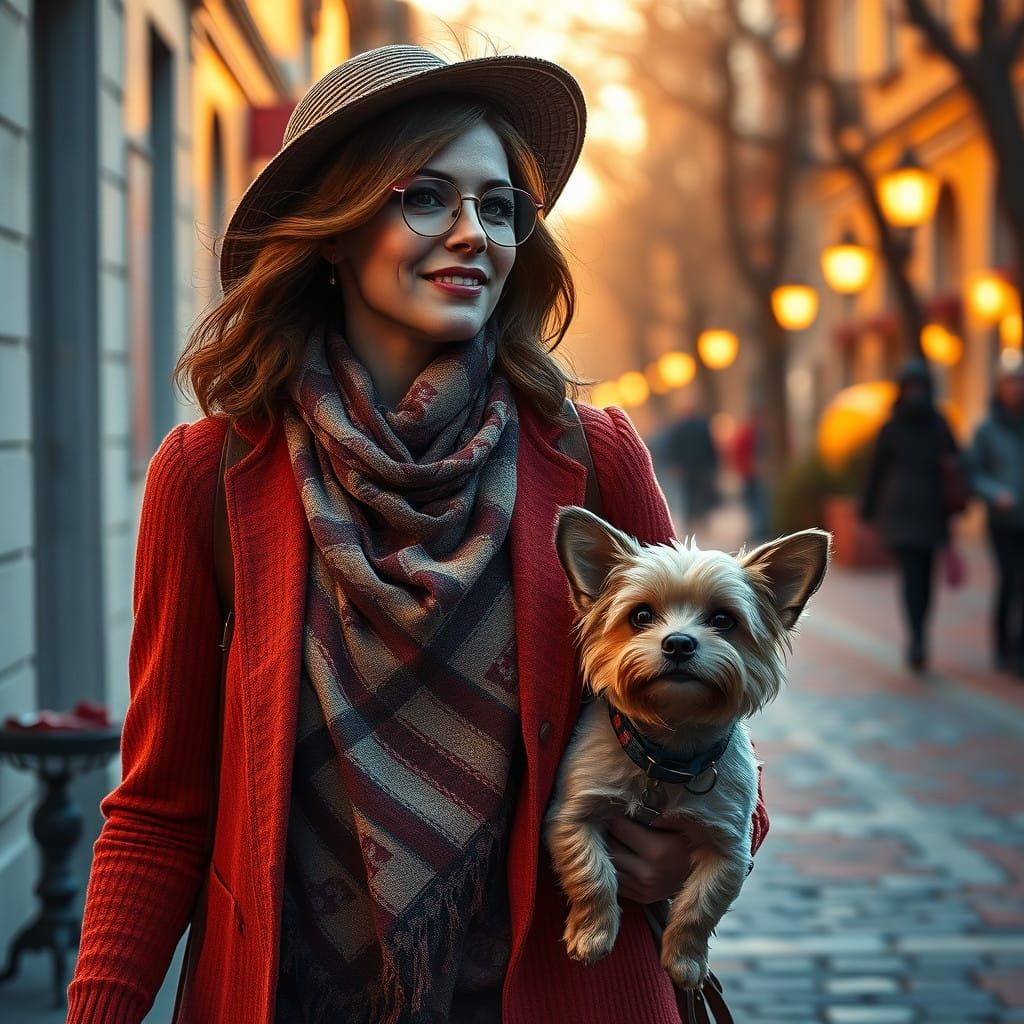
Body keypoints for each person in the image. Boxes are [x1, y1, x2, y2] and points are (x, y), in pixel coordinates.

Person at [66, 46, 768, 1024]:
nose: (471, 233)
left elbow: (711, 727)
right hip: (295, 993)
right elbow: (158, 808)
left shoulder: (590, 456)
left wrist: (685, 844)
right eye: (428, 196)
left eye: (497, 206)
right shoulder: (209, 478)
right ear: (334, 229)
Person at [860, 359, 962, 672]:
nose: (916, 394)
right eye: (911, 388)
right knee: (911, 576)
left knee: (924, 578)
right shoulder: (890, 427)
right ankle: (916, 635)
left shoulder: (940, 423)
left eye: (920, 387)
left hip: (931, 511)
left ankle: (919, 634)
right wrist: (868, 510)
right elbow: (876, 471)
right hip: (902, 513)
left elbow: (956, 463)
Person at [970, 363, 1024, 677]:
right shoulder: (987, 430)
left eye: (1020, 382)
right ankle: (1003, 648)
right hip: (1002, 521)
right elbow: (973, 473)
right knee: (1008, 582)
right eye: (1011, 382)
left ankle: (1019, 651)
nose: (1016, 388)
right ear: (1000, 388)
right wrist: (995, 493)